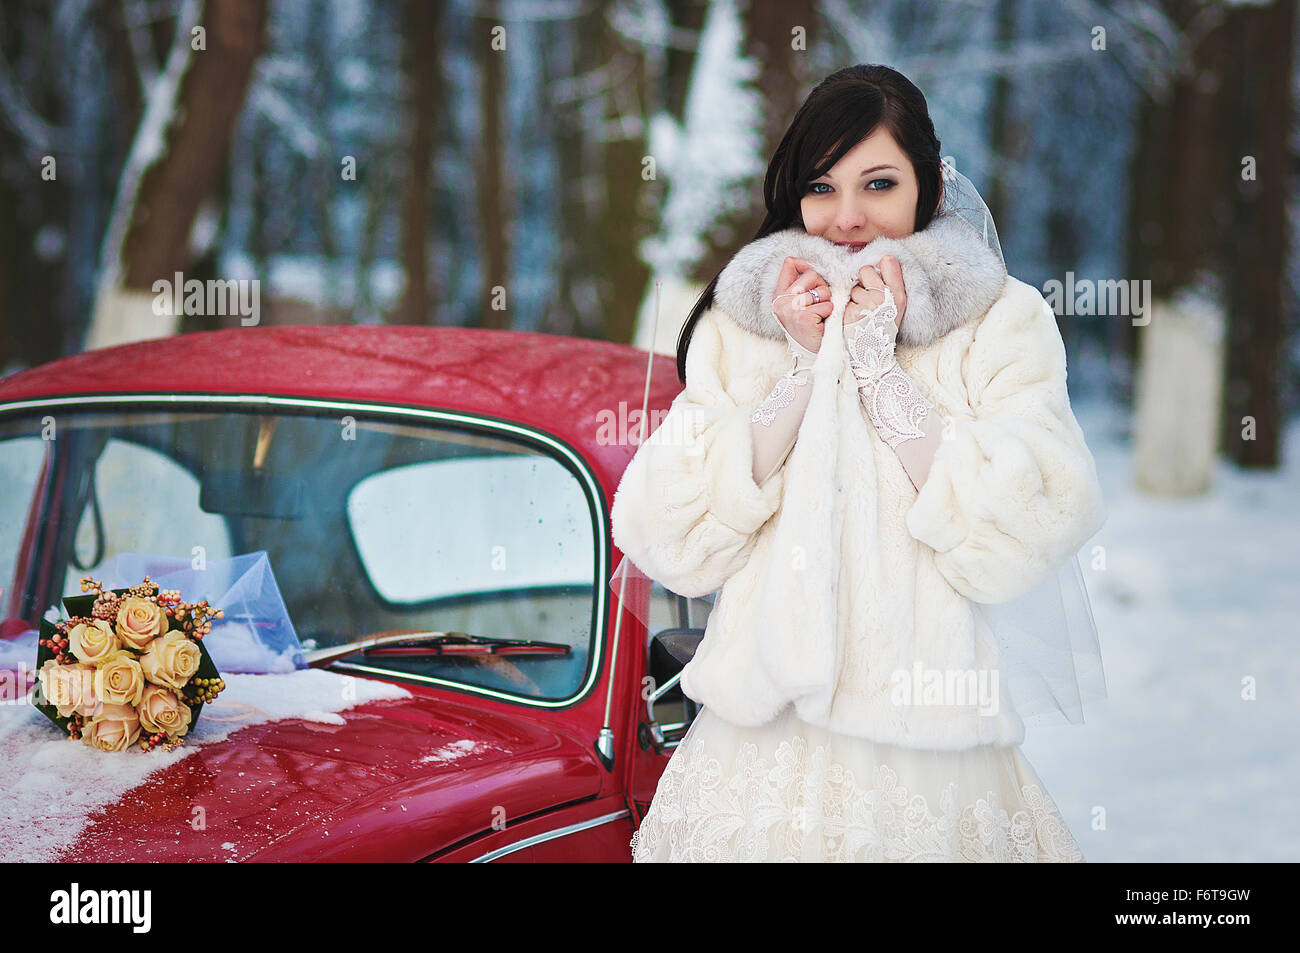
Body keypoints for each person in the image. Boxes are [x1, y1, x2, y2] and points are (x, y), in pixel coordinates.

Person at [611, 64, 1106, 862]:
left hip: (927, 753)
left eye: (878, 184)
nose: (846, 219)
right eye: (821, 186)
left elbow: (1035, 515)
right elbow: (669, 531)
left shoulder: (998, 321)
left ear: (929, 188)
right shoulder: (751, 322)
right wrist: (807, 371)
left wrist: (879, 372)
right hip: (755, 751)